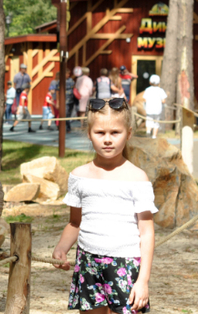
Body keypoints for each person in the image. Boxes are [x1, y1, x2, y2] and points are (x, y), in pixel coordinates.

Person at [52, 97, 155, 314]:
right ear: (89, 133)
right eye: (100, 133)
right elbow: (75, 222)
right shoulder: (79, 176)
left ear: (128, 133)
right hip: (88, 262)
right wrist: (61, 247)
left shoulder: (137, 178)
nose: (107, 139)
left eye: (115, 132)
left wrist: (143, 280)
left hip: (125, 264)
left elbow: (146, 232)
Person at [142, 75, 167, 139]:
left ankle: (148, 132)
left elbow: (145, 99)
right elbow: (163, 101)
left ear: (150, 82)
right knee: (156, 123)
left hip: (149, 109)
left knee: (149, 122)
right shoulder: (161, 90)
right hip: (157, 110)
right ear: (159, 82)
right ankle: (154, 136)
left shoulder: (147, 90)